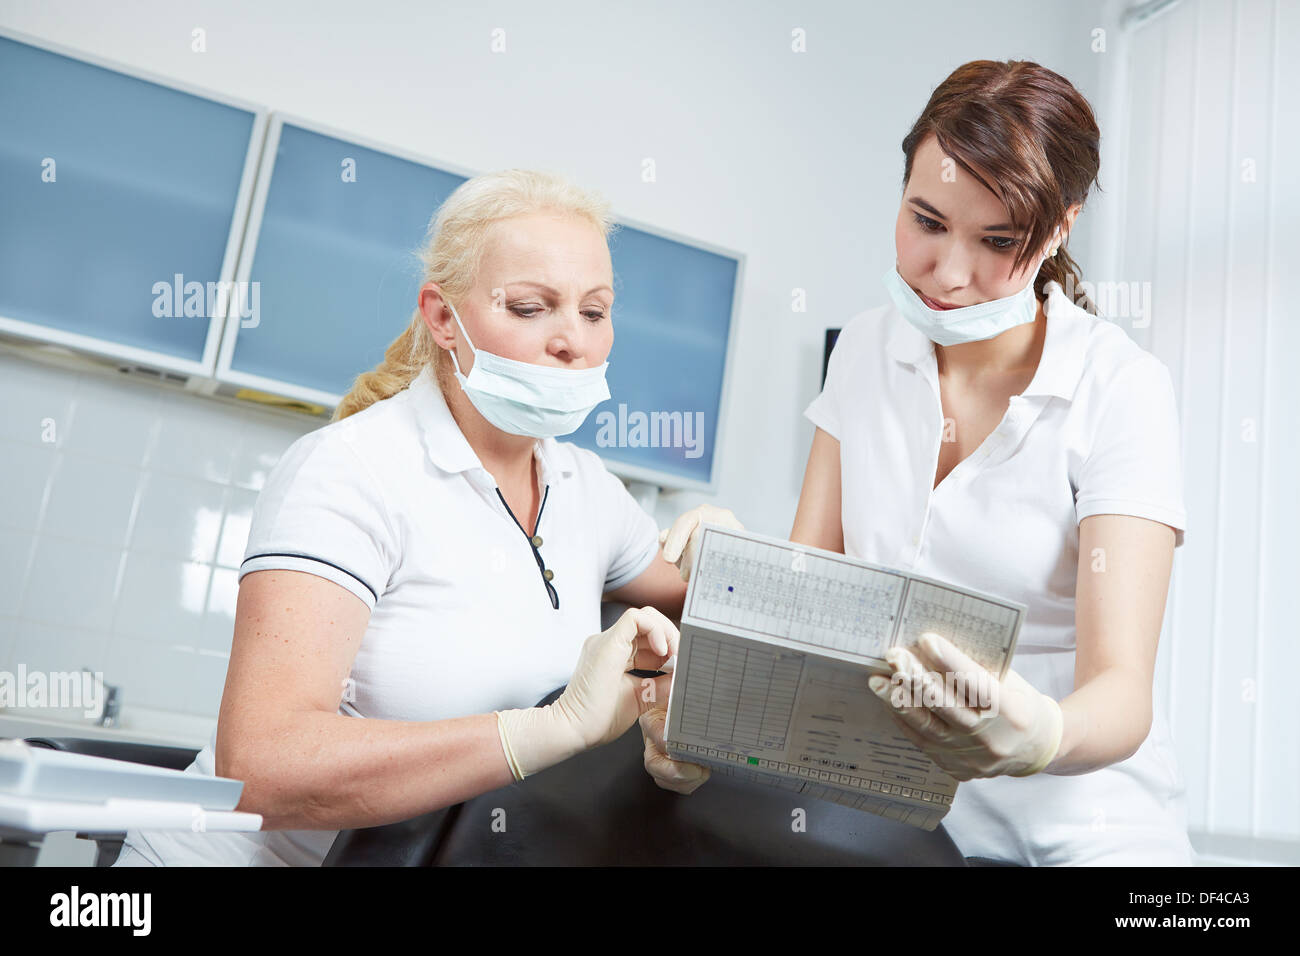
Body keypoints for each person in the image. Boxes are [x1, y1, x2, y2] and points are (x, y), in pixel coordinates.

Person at [653, 60, 1195, 866]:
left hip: (1082, 828)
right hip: (887, 812)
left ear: (1058, 230)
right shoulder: (868, 349)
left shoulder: (1120, 390)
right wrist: (720, 650)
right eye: (927, 221)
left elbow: (1122, 695)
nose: (947, 275)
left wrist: (1040, 735)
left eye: (998, 241)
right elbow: (813, 597)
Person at [114, 169, 712, 866]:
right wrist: (544, 732)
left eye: (594, 310)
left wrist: (721, 582)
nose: (571, 342)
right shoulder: (352, 471)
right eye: (528, 307)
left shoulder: (589, 492)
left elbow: (708, 610)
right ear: (442, 318)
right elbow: (262, 769)